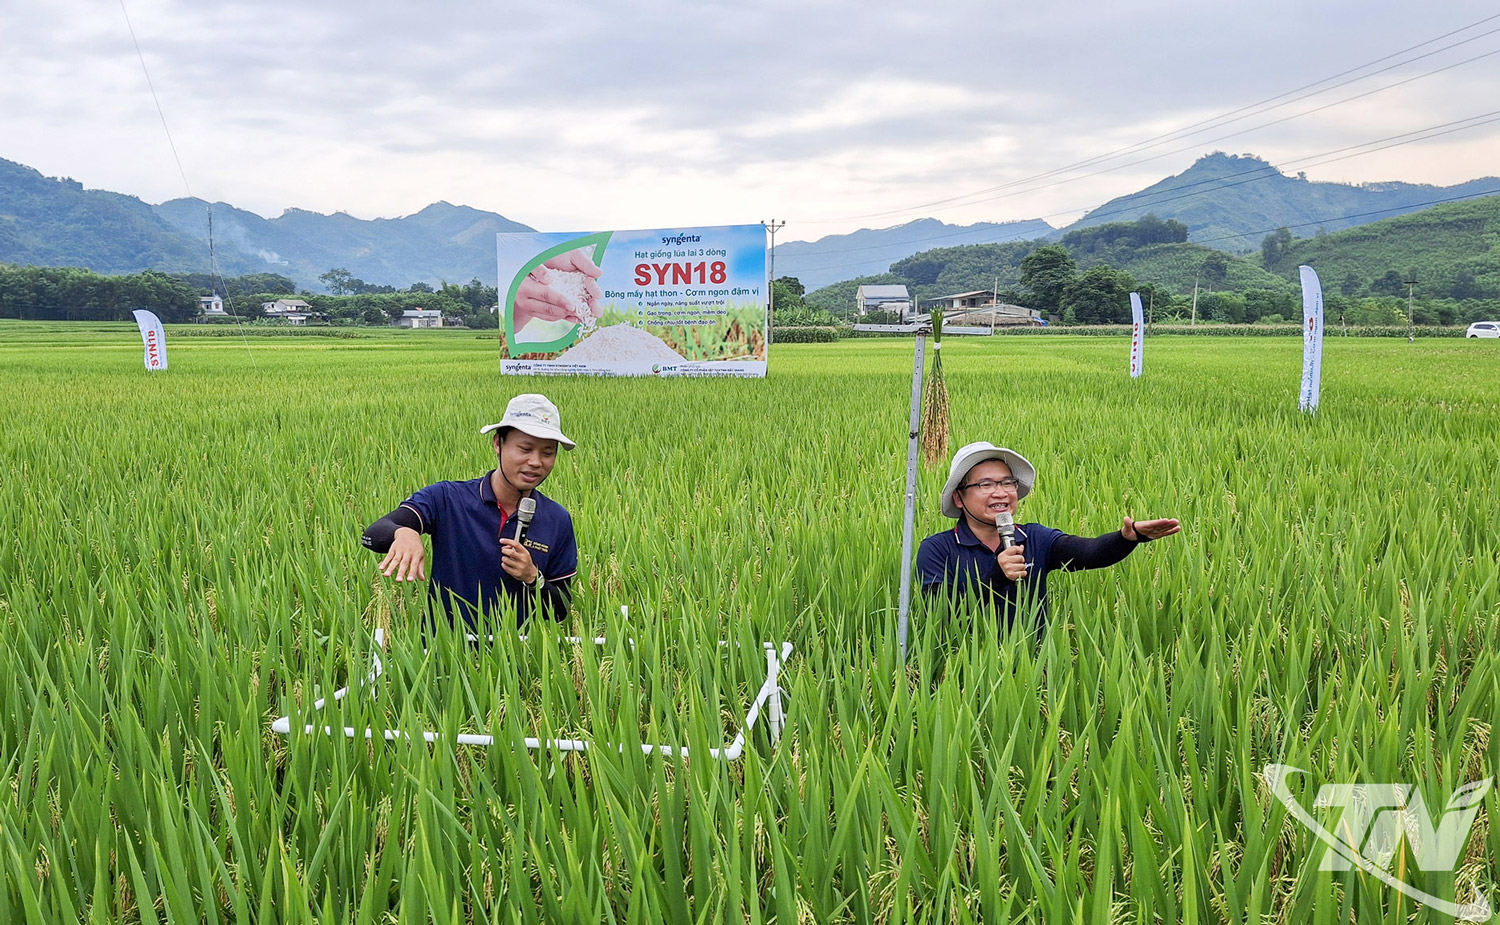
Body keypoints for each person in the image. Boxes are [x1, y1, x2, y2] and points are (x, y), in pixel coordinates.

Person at [361, 393, 578, 630]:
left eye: (547, 453)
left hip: (515, 659)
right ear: (498, 443)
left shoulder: (557, 519)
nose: (536, 461)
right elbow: (372, 535)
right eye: (525, 448)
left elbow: (561, 611)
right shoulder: (447, 498)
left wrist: (532, 578)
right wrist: (403, 533)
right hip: (445, 657)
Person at [917, 441, 1179, 634]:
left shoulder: (1033, 537)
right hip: (964, 673)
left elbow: (1090, 552)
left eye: (1007, 483)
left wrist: (1127, 538)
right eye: (985, 485)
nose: (1000, 492)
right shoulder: (937, 549)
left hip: (1033, 671)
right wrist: (996, 577)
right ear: (958, 498)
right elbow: (943, 616)